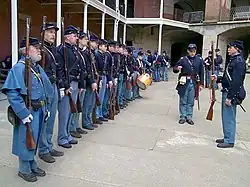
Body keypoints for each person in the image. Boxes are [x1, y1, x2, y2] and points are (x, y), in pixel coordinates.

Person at [2, 36, 53, 182]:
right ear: (26, 51)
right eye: (35, 48)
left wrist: (46, 107)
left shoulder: (35, 67)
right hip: (28, 110)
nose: (39, 50)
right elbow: (12, 92)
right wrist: (23, 113)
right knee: (25, 141)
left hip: (39, 109)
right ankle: (24, 169)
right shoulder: (19, 68)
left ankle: (32, 164)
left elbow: (45, 88)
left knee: (34, 139)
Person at [212, 40, 246, 148]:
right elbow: (228, 78)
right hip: (227, 90)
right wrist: (218, 79)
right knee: (226, 116)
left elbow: (237, 82)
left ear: (236, 49)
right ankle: (227, 136)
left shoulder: (239, 61)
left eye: (230, 47)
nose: (228, 49)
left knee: (229, 117)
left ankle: (229, 140)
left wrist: (230, 97)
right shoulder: (234, 60)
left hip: (230, 93)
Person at [38, 23, 64, 163]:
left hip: (53, 85)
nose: (53, 34)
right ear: (42, 33)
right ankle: (43, 149)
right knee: (45, 119)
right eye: (49, 32)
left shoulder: (52, 49)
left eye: (54, 32)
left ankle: (48, 145)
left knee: (52, 117)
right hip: (44, 87)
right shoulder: (40, 49)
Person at [56, 25, 80, 148]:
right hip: (67, 84)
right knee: (64, 112)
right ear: (67, 36)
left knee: (71, 110)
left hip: (75, 82)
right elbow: (60, 69)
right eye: (74, 36)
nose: (76, 38)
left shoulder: (73, 49)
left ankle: (67, 134)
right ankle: (62, 137)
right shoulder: (61, 49)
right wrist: (65, 85)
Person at [173, 44, 204, 125]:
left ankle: (189, 116)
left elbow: (202, 72)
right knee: (183, 100)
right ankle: (182, 116)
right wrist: (177, 69)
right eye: (191, 51)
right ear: (188, 51)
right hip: (184, 81)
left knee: (191, 101)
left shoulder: (199, 60)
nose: (192, 53)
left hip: (194, 82)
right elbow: (175, 68)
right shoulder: (183, 59)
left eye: (194, 51)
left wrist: (201, 84)